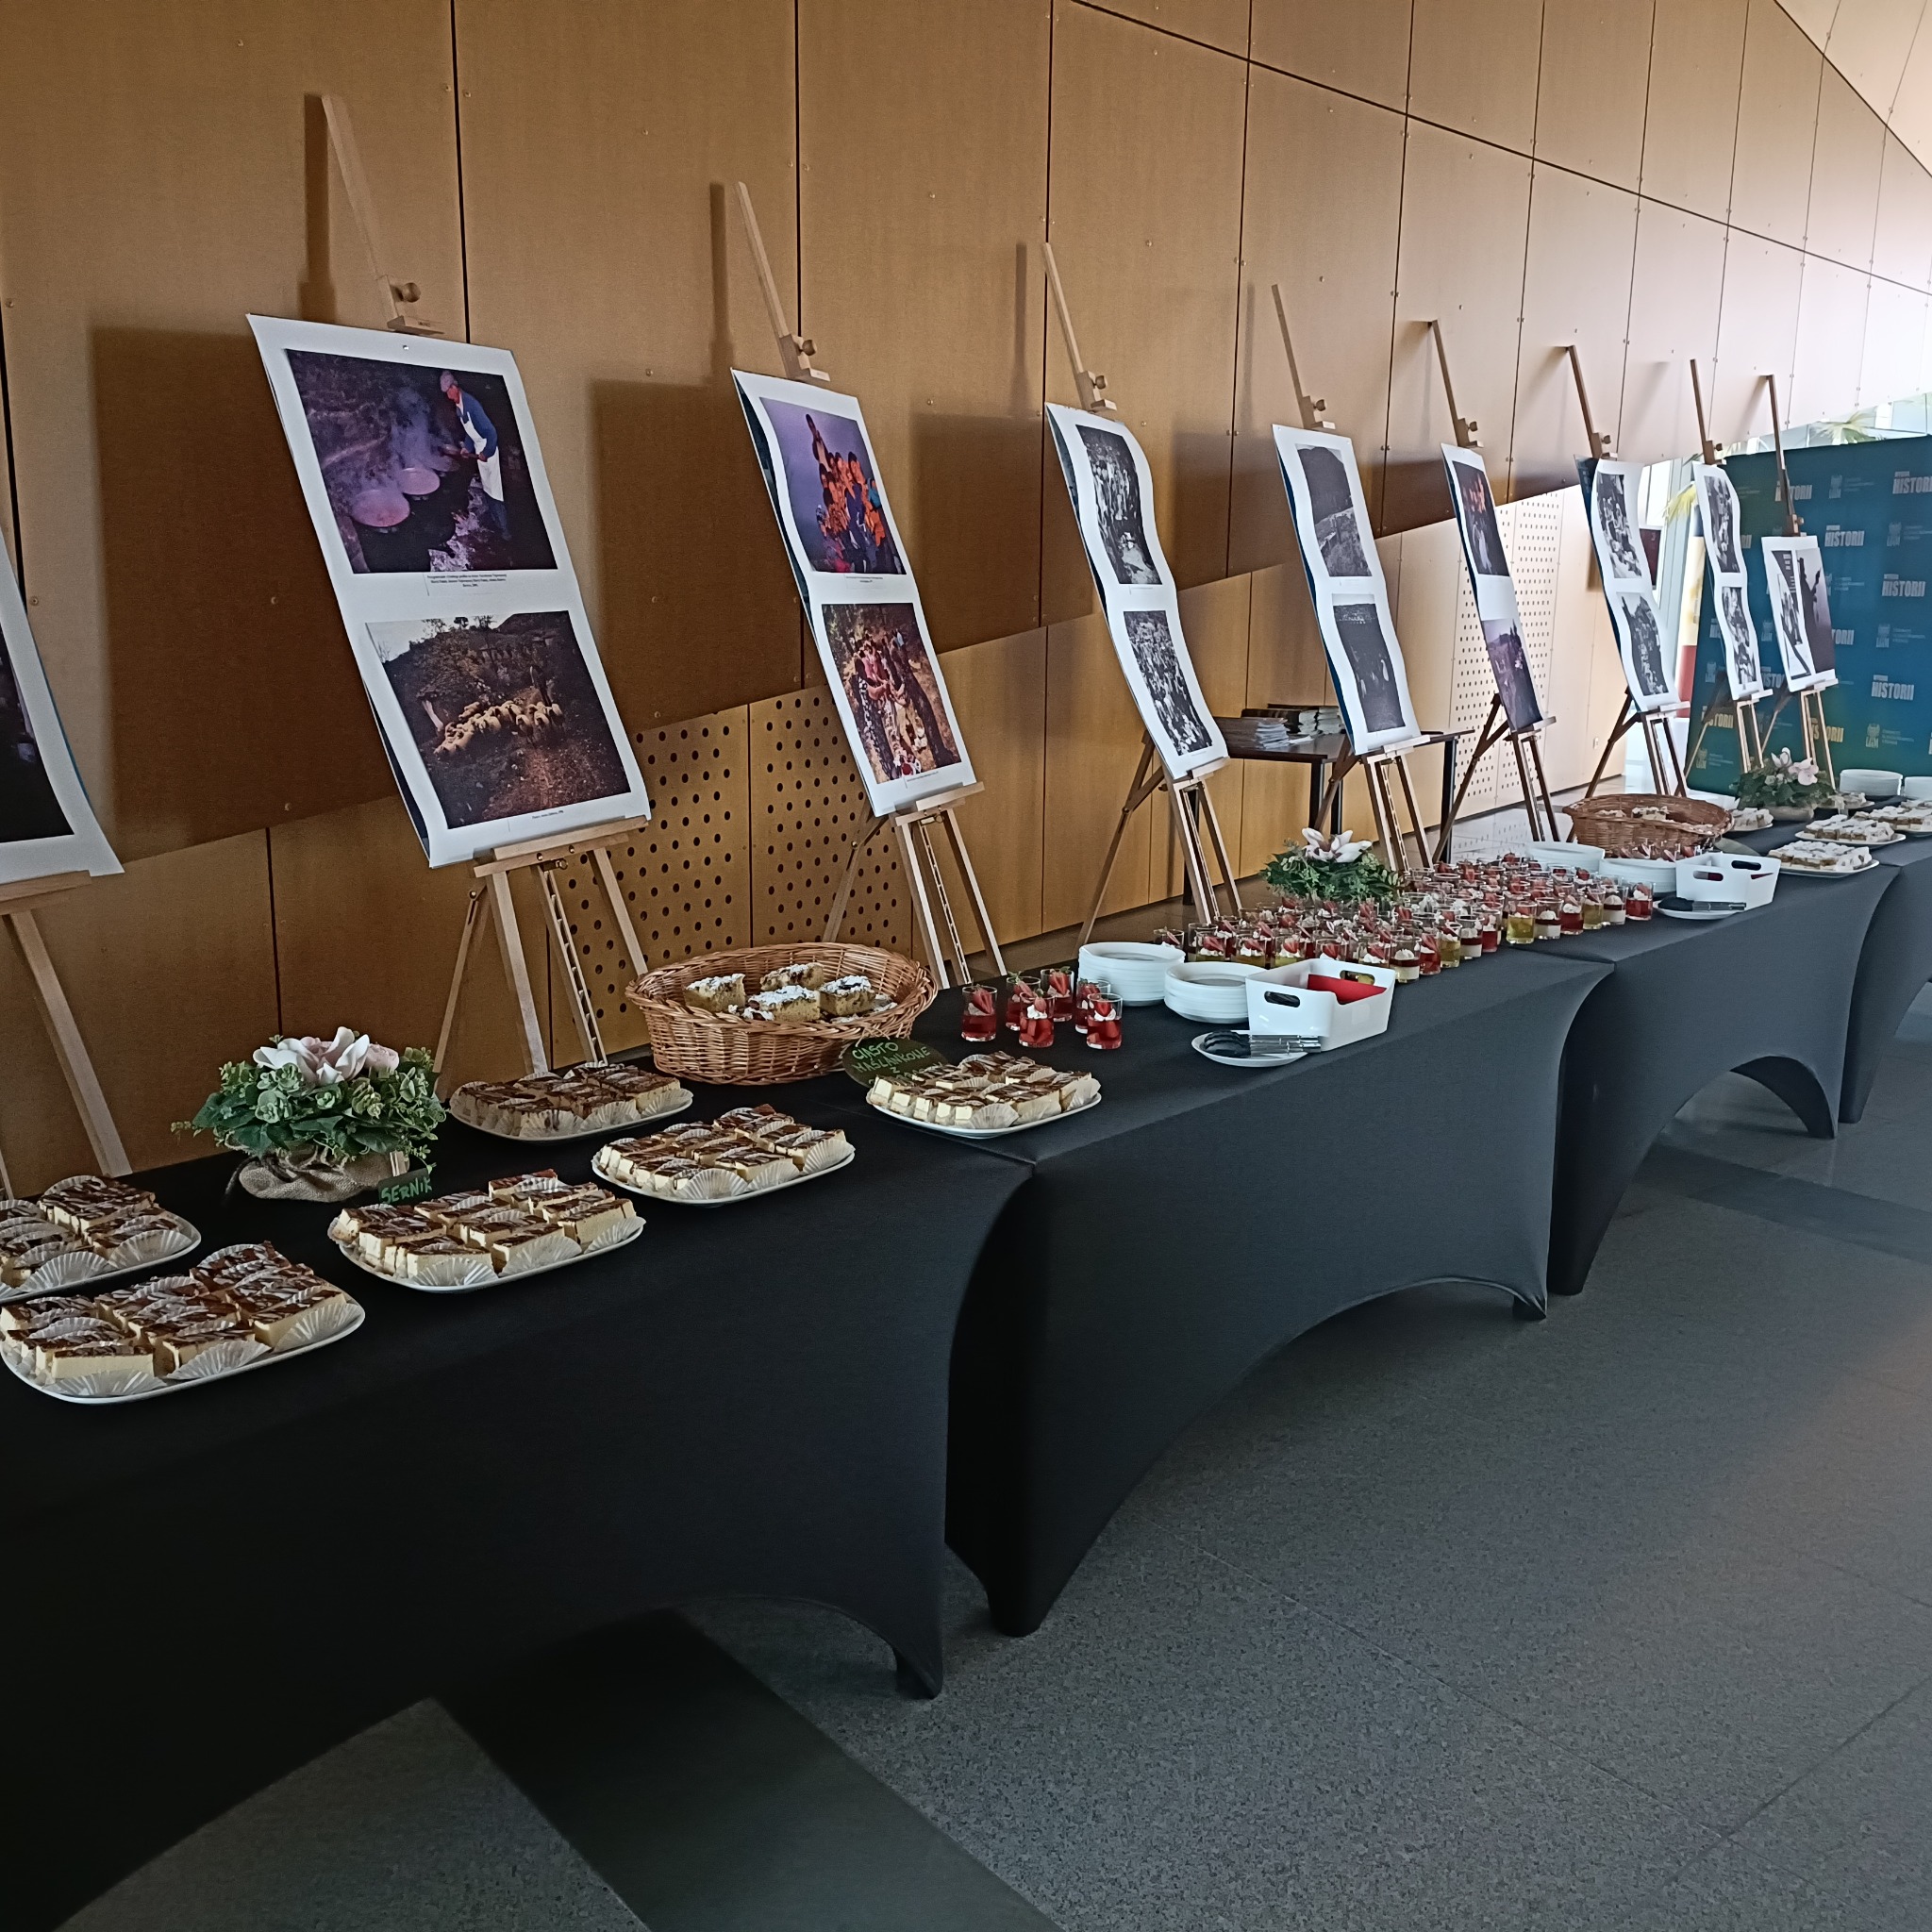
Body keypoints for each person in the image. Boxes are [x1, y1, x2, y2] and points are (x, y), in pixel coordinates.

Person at [441, 372, 509, 541]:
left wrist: (487, 453)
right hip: (479, 449)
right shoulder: (459, 407)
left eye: (448, 392)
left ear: (454, 387)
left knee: (495, 492)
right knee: (487, 488)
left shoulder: (472, 405)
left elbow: (491, 432)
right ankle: (494, 522)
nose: (448, 396)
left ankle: (505, 531)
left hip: (488, 448)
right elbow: (470, 433)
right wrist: (467, 448)